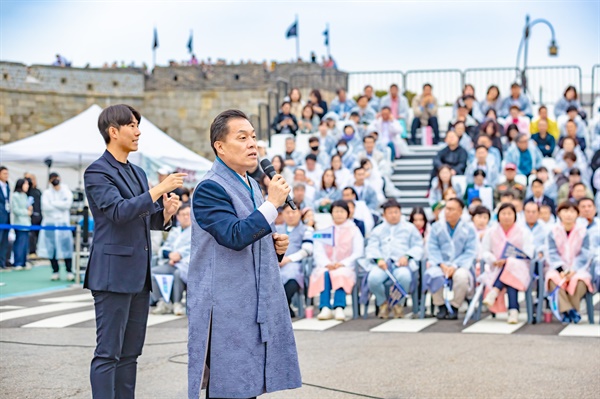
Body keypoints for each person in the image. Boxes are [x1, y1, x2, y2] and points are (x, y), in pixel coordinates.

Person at [187, 109, 301, 398]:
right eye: (242, 137)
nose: (253, 144)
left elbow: (251, 236)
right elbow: (234, 236)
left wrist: (273, 249)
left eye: (253, 137)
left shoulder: (251, 185)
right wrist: (273, 205)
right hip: (224, 306)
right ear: (220, 146)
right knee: (229, 388)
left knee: (247, 386)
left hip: (249, 304)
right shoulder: (209, 188)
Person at [84, 104, 184, 399]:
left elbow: (149, 217)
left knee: (130, 354)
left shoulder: (138, 172)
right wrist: (157, 190)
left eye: (138, 125)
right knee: (108, 353)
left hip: (139, 275)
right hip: (112, 275)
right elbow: (117, 211)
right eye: (132, 125)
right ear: (113, 132)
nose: (138, 131)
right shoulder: (97, 171)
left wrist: (165, 212)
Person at [365, 199, 423, 319]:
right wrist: (378, 259)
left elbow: (418, 245)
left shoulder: (410, 228)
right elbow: (372, 247)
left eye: (396, 212)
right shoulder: (378, 230)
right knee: (373, 279)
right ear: (384, 215)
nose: (393, 215)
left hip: (401, 264)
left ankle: (398, 305)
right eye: (390, 213)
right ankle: (383, 303)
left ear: (400, 213)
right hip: (383, 265)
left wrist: (407, 256)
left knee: (404, 277)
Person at [309, 200, 364, 321]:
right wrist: (326, 263)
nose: (338, 214)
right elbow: (318, 249)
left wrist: (343, 263)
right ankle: (325, 308)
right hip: (327, 265)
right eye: (336, 211)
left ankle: (339, 307)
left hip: (346, 266)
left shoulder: (354, 230)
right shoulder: (325, 229)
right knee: (324, 274)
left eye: (342, 211)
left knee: (340, 274)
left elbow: (358, 252)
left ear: (347, 213)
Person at [424, 198, 478, 319]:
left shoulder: (469, 229)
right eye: (446, 209)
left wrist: (455, 266)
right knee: (434, 275)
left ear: (460, 211)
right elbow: (432, 248)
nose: (447, 212)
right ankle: (441, 305)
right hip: (440, 264)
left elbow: (470, 251)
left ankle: (454, 306)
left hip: (460, 265)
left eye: (451, 209)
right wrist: (441, 264)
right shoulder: (436, 227)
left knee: (461, 277)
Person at [481, 203, 534, 324]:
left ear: (515, 216)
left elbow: (528, 252)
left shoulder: (523, 232)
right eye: (503, 213)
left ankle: (494, 291)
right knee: (509, 277)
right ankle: (513, 311)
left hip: (520, 268)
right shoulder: (491, 232)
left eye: (509, 214)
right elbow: (484, 251)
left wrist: (509, 260)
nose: (506, 217)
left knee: (511, 265)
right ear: (498, 216)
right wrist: (494, 260)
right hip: (496, 268)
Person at [546, 201, 592, 324]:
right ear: (559, 213)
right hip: (558, 268)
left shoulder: (583, 231)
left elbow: (585, 253)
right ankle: (570, 310)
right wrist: (561, 270)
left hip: (578, 268)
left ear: (577, 214)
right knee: (552, 279)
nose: (568, 215)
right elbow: (551, 252)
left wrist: (573, 270)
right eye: (565, 211)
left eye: (572, 211)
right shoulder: (553, 231)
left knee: (580, 282)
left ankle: (568, 311)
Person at [150, 204, 192, 316]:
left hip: (186, 264)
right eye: (183, 214)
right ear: (178, 217)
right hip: (171, 262)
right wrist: (170, 255)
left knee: (179, 273)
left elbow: (192, 249)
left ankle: (177, 303)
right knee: (152, 272)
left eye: (188, 214)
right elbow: (165, 247)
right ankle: (162, 302)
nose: (186, 217)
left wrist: (180, 255)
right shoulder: (175, 231)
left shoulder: (195, 231)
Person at [276, 204, 314, 317]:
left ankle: (284, 306)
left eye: (294, 212)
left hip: (296, 264)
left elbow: (307, 250)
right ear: (282, 214)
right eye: (287, 213)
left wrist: (288, 259)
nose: (291, 215)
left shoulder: (307, 229)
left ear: (300, 213)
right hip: (276, 264)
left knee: (292, 276)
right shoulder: (276, 229)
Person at [38, 172, 74, 281]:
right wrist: (59, 205)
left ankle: (69, 271)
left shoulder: (66, 191)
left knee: (66, 248)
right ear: (50, 181)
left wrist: (53, 203)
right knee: (51, 249)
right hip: (50, 224)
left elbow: (67, 205)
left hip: (63, 224)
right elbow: (45, 207)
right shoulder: (46, 193)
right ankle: (55, 271)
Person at [577, 198, 599, 290]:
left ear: (595, 209)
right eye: (583, 207)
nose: (587, 209)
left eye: (589, 206)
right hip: (579, 263)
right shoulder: (574, 226)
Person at [10, 178, 32, 270]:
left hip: (27, 223)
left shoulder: (26, 196)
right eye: (25, 184)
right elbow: (15, 209)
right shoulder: (15, 195)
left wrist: (30, 210)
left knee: (25, 244)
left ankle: (23, 262)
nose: (27, 186)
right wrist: (26, 212)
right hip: (19, 223)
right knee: (19, 243)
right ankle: (18, 262)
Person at [24, 173, 42, 256]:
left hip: (39, 216)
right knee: (31, 235)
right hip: (30, 217)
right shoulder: (26, 192)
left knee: (39, 235)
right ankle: (31, 251)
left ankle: (38, 251)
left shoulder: (38, 191)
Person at [0, 166, 10, 269]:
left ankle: (2, 263)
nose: (6, 176)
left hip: (6, 217)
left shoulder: (7, 186)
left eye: (7, 174)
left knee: (4, 241)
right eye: (4, 173)